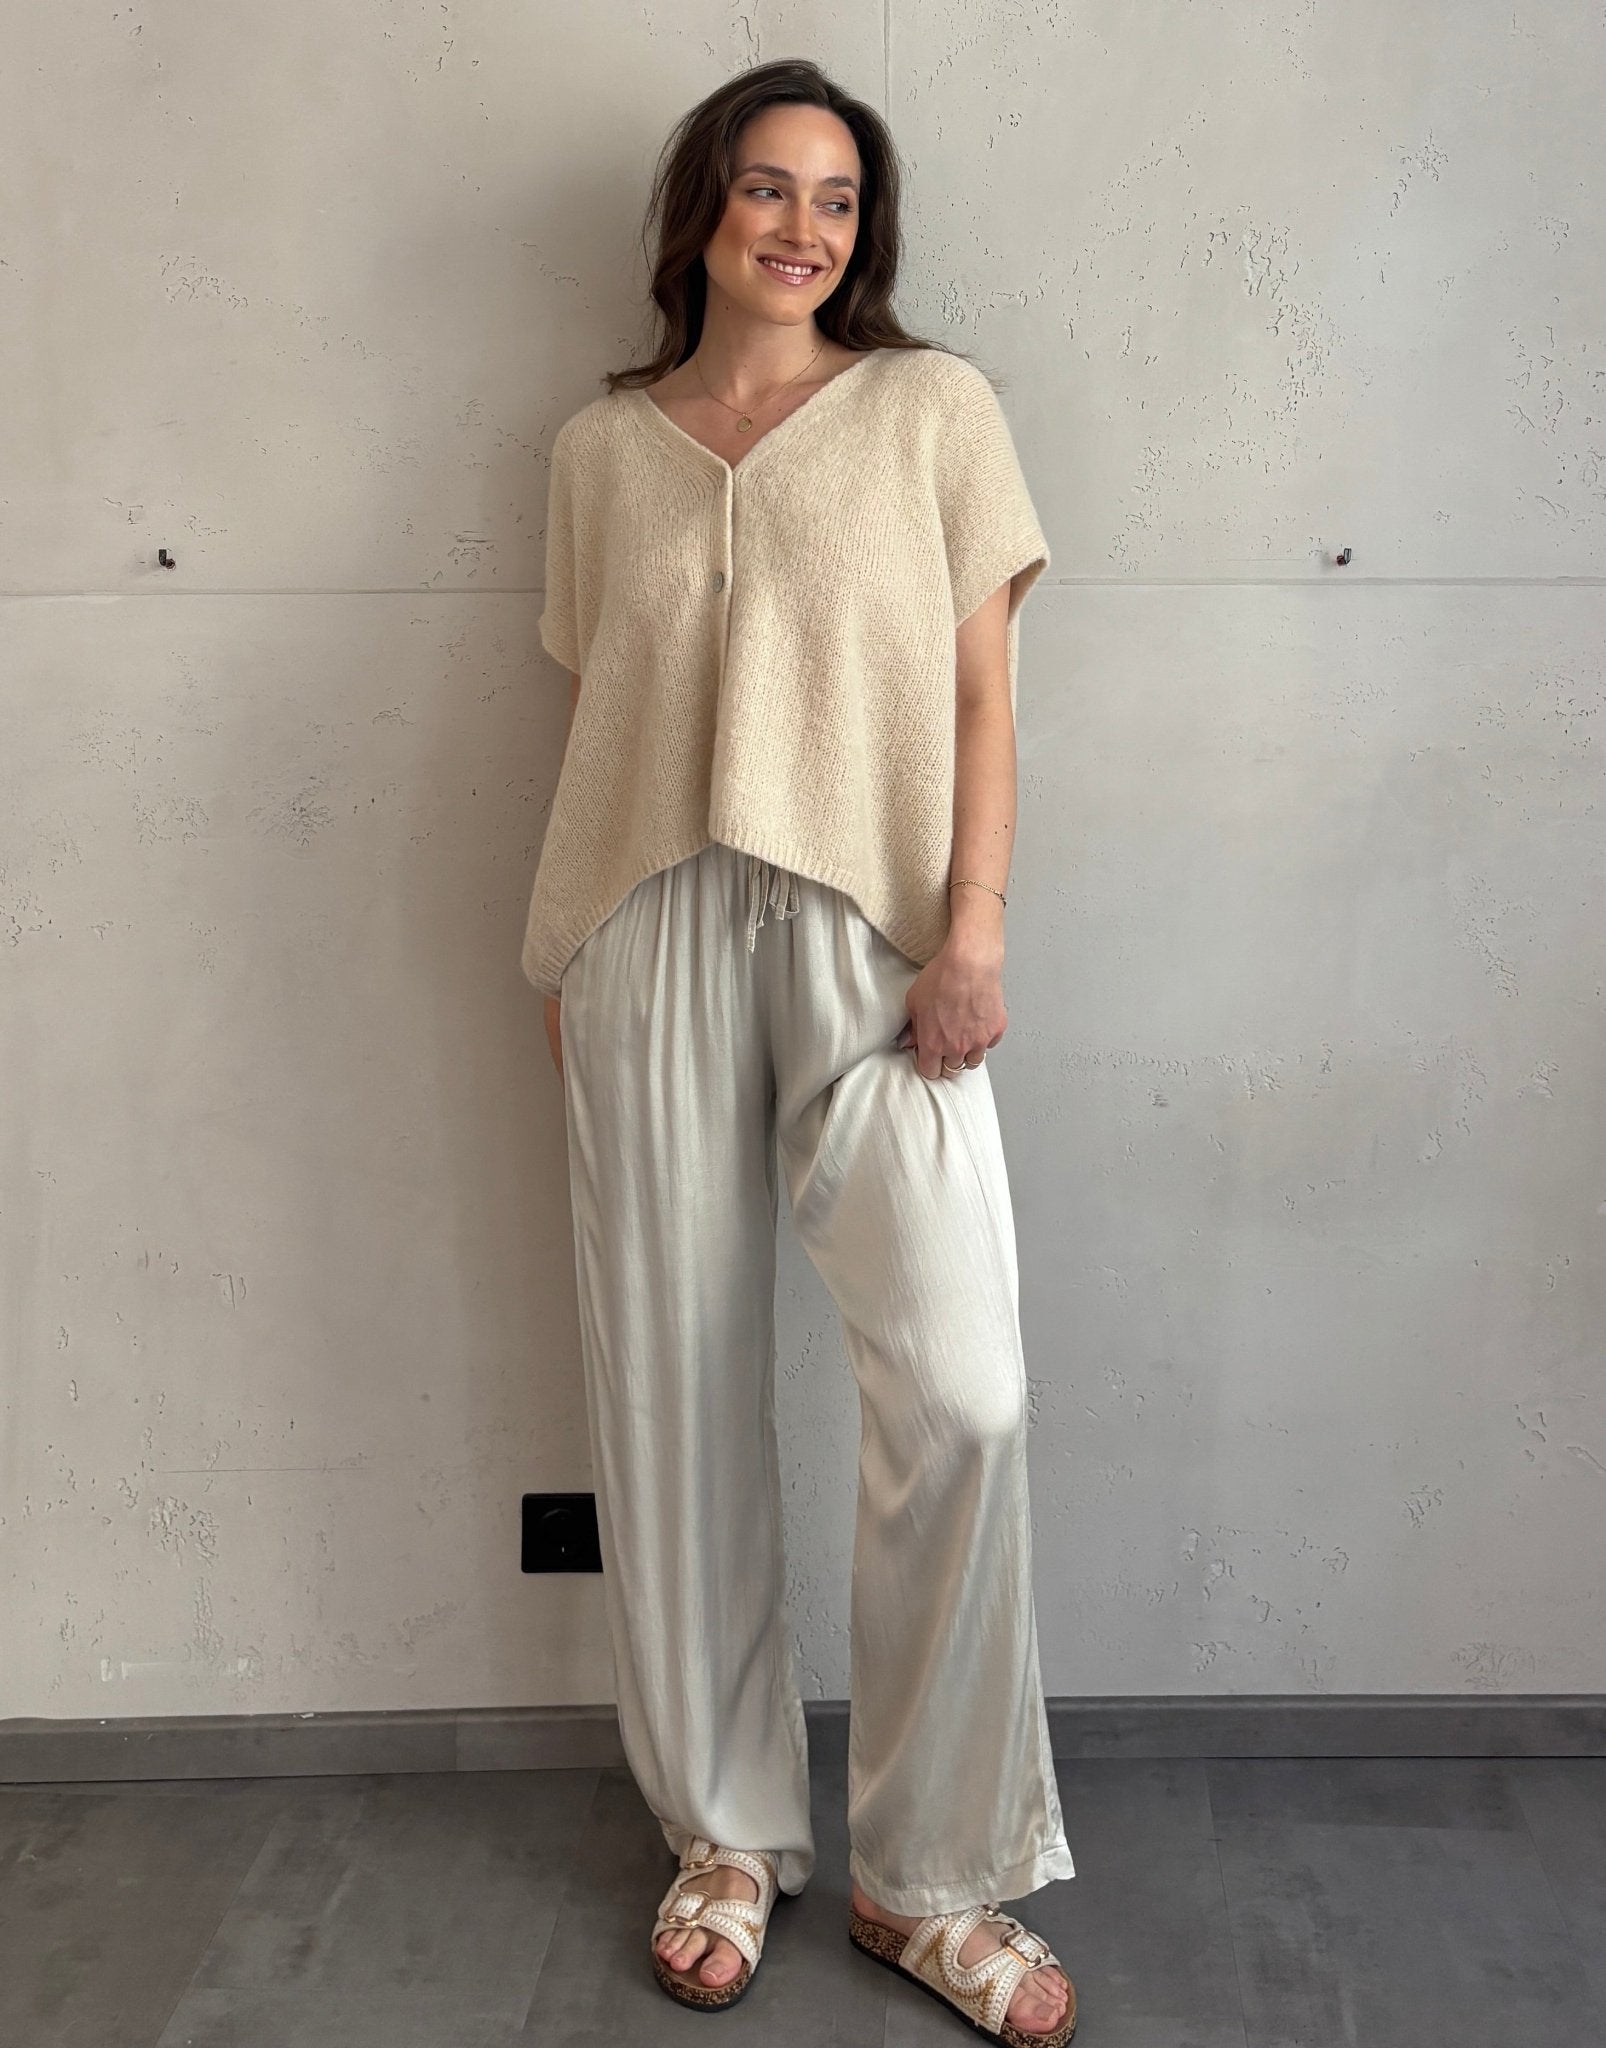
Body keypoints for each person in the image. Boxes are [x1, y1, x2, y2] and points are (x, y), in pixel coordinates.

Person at [521, 56, 1078, 2045]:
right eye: (765, 188)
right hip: (646, 926)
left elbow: (980, 694)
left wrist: (972, 925)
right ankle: (724, 1835)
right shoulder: (598, 449)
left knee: (964, 1389)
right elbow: (603, 705)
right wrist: (580, 952)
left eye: (835, 198)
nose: (801, 227)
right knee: (668, 1395)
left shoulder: (932, 410)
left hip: (873, 937)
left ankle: (930, 1878)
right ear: (701, 209)